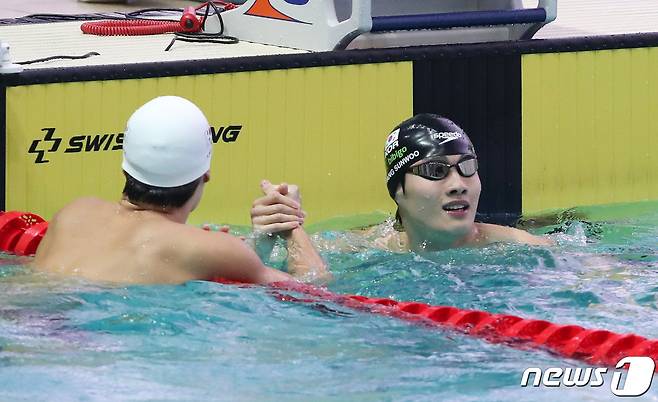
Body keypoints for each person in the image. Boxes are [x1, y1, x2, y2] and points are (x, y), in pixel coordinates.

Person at [32, 96, 328, 284]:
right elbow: (313, 291)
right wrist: (292, 224)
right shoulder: (211, 247)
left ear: (124, 168)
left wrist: (258, 247)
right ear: (206, 175)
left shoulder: (74, 212)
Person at [250, 114, 551, 253]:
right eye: (435, 171)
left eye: (467, 167)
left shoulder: (520, 248)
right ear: (398, 191)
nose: (459, 184)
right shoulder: (363, 247)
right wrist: (273, 232)